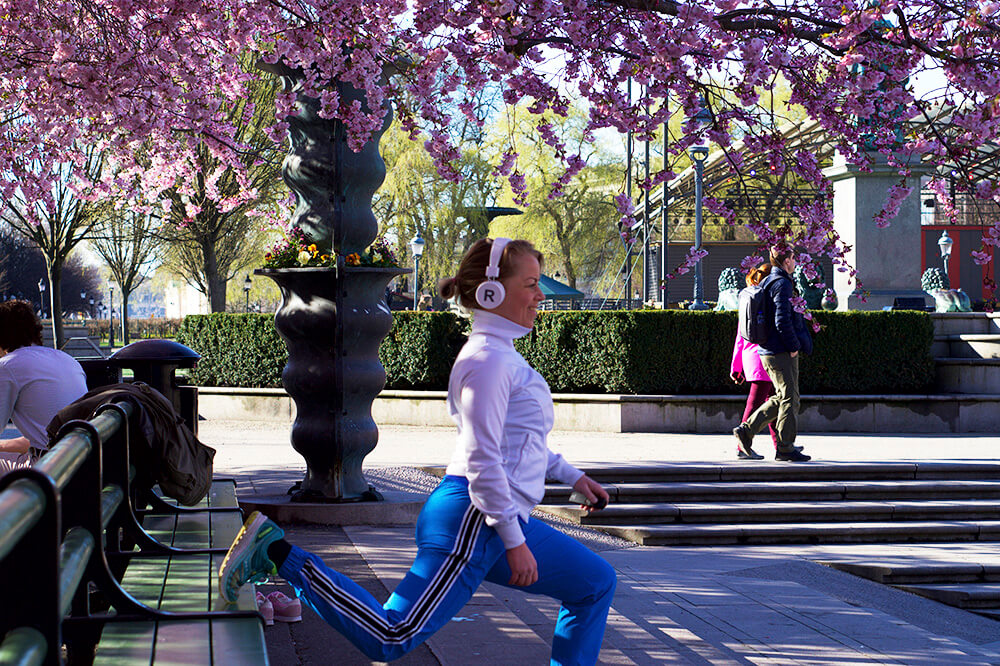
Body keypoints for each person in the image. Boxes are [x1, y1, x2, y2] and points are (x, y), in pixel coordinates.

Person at [219, 238, 617, 664]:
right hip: (475, 518)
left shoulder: (501, 356)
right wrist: (515, 541)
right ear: (491, 292)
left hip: (495, 517)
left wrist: (573, 477)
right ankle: (277, 551)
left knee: (594, 581)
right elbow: (484, 460)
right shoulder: (488, 363)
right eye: (531, 284)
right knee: (391, 635)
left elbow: (520, 443)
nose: (540, 296)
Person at [733, 247, 813, 462]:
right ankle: (785, 448)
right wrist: (794, 345)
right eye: (793, 258)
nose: (795, 262)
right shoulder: (782, 284)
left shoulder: (769, 280)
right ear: (786, 260)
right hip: (780, 350)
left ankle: (746, 430)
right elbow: (781, 320)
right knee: (789, 398)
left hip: (768, 349)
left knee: (781, 397)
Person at [0, 300, 88, 473]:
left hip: (50, 469)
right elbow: (39, 437)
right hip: (84, 463)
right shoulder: (66, 359)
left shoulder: (8, 366)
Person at [730, 263, 779, 460]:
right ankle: (743, 447)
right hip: (764, 357)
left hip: (751, 358)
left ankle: (782, 444)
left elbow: (739, 337)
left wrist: (736, 366)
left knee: (773, 404)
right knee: (759, 405)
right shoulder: (766, 299)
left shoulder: (749, 298)